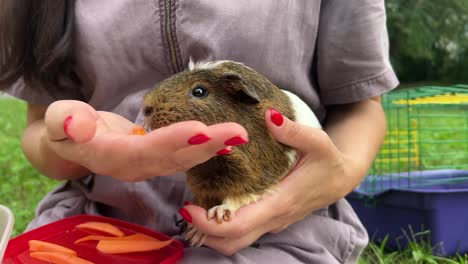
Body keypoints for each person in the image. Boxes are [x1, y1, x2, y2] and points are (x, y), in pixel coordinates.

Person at [0, 0, 398, 263]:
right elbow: (39, 126)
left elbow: (362, 106)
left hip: (285, 233)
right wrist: (75, 143)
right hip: (98, 223)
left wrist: (332, 174)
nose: (149, 104)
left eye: (200, 94)